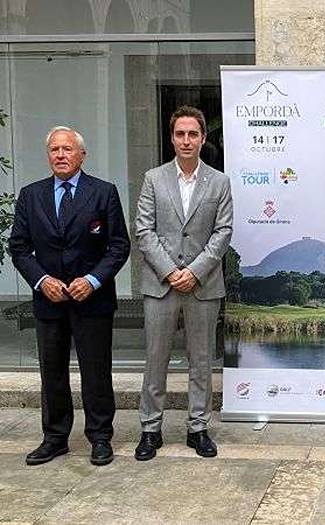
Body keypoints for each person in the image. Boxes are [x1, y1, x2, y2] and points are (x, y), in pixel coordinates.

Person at [9, 126, 130, 466]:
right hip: (49, 300)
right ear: (49, 156)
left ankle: (101, 437)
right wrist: (41, 279)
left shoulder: (103, 193)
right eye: (54, 150)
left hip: (93, 300)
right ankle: (55, 437)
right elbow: (18, 247)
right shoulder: (31, 195)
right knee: (53, 371)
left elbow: (119, 245)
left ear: (82, 155)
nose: (60, 155)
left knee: (96, 370)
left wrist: (93, 280)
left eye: (67, 149)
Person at [134, 105, 233, 460]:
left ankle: (198, 427)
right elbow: (143, 230)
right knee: (155, 358)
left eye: (193, 134)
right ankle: (150, 429)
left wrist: (193, 272)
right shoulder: (153, 179)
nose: (186, 140)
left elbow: (223, 232)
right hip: (161, 284)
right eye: (180, 134)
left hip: (202, 285)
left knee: (201, 359)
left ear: (203, 138)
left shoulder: (219, 182)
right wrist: (170, 272)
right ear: (172, 137)